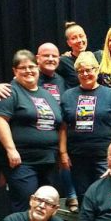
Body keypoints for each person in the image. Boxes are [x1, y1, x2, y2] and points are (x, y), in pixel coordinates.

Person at [0, 50, 63, 212]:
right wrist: (11, 150)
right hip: (22, 161)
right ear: (15, 71)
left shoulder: (47, 95)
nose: (28, 70)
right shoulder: (9, 92)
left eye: (31, 66)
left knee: (48, 205)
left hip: (48, 161)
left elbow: (59, 124)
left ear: (38, 68)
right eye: (22, 68)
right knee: (27, 204)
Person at [60, 51, 111, 203]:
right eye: (81, 71)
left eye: (89, 70)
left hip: (104, 157)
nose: (85, 74)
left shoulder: (110, 94)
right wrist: (63, 153)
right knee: (84, 198)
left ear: (97, 70)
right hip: (78, 158)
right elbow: (63, 127)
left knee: (106, 197)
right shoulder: (68, 96)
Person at [36, 42, 79, 212]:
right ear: (37, 58)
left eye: (54, 56)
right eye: (46, 55)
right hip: (35, 141)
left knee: (62, 166)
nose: (51, 59)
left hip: (58, 134)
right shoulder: (30, 77)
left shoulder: (61, 80)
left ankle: (71, 196)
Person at [57, 21, 103, 89]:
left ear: (86, 37)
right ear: (68, 43)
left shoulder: (98, 56)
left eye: (81, 36)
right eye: (74, 38)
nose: (79, 40)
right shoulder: (64, 61)